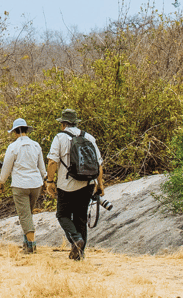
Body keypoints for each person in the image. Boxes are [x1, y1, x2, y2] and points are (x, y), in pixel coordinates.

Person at [45, 108, 104, 261]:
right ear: (76, 122)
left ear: (63, 124)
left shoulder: (60, 137)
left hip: (67, 185)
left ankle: (76, 239)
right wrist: (100, 185)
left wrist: (50, 181)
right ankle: (80, 254)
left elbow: (52, 162)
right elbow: (99, 164)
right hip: (88, 183)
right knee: (81, 218)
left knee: (62, 215)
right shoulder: (89, 137)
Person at [0, 117, 46, 254]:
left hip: (20, 185)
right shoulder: (36, 145)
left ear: (15, 132)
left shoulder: (13, 147)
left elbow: (6, 167)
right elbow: (42, 168)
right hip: (36, 184)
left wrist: (1, 182)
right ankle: (26, 242)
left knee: (24, 215)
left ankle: (31, 245)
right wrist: (46, 180)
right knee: (28, 214)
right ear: (26, 130)